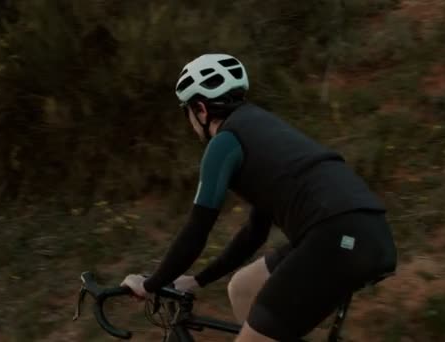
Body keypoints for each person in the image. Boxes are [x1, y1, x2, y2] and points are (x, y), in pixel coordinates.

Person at [121, 53, 398, 341]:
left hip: (335, 236)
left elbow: (196, 231)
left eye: (187, 111)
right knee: (243, 286)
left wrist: (150, 284)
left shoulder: (224, 143)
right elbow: (254, 233)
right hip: (362, 231)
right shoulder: (261, 128)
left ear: (200, 109)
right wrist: (196, 280)